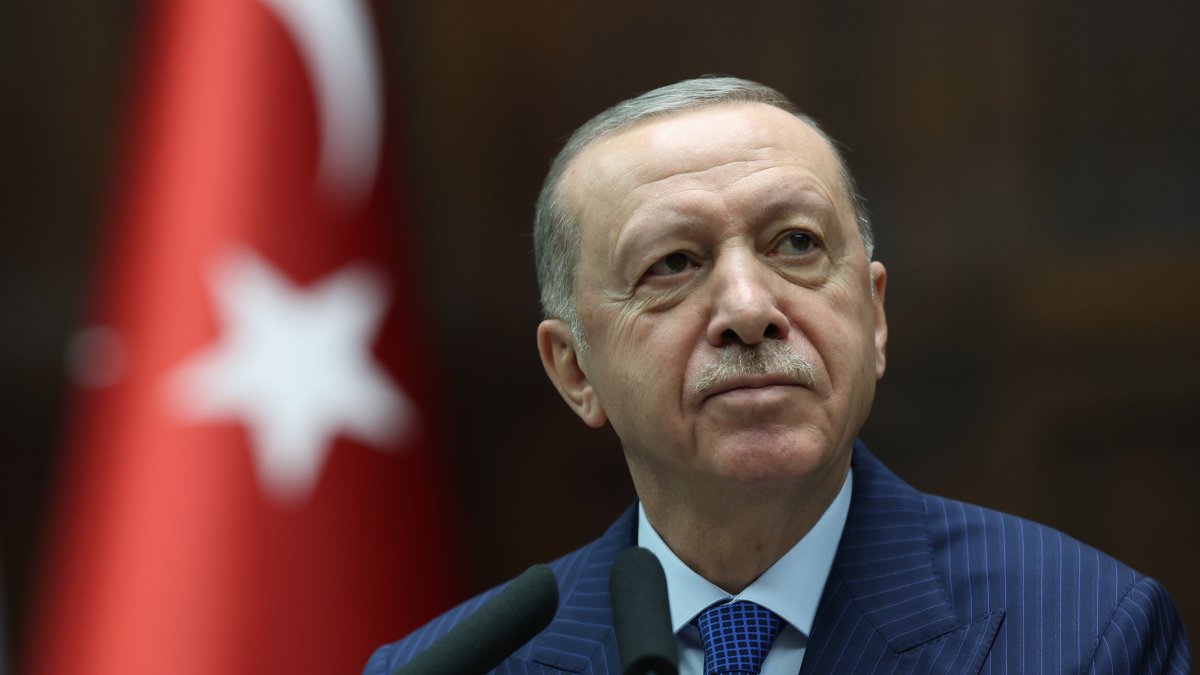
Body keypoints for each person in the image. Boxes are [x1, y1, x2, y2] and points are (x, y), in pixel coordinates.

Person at [364, 77, 1190, 674]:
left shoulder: (1086, 632)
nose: (750, 307)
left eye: (795, 243)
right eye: (674, 262)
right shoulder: (458, 664)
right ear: (575, 369)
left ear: (874, 316)